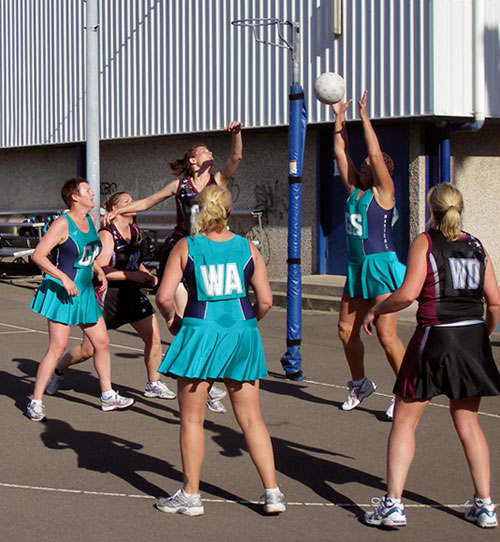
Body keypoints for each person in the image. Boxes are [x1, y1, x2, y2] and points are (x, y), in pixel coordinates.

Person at [363, 183, 500, 528]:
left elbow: (408, 294)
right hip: (471, 337)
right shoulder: (476, 245)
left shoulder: (426, 242)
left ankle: (393, 504)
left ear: (431, 209)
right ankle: (485, 505)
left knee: (405, 421)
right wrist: (483, 333)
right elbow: (495, 301)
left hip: (435, 336)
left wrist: (377, 309)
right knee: (468, 422)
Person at [154, 185, 285, 516]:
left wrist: (173, 320)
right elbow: (266, 300)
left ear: (199, 210)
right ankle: (273, 492)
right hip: (241, 332)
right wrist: (247, 323)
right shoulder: (247, 247)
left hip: (200, 332)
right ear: (228, 212)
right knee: (252, 419)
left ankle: (191, 495)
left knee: (192, 420)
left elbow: (164, 296)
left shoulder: (187, 246)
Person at [103, 121, 243, 413]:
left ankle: (196, 374)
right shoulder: (179, 186)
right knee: (182, 321)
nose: (210, 152)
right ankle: (195, 375)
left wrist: (237, 135)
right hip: (182, 253)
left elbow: (236, 158)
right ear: (193, 160)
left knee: (205, 319)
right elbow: (146, 202)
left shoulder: (218, 181)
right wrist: (117, 210)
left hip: (208, 257)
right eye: (204, 150)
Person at [45, 192, 176, 400]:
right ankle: (58, 370)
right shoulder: (107, 235)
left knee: (153, 337)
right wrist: (132, 275)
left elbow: (134, 261)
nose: (132, 204)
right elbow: (102, 269)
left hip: (132, 293)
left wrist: (146, 275)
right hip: (109, 294)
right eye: (126, 202)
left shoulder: (136, 231)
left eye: (133, 200)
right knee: (88, 349)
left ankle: (154, 383)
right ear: (115, 209)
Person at [27, 178, 134, 421]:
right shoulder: (62, 224)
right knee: (56, 348)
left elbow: (89, 252)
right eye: (87, 190)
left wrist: (97, 270)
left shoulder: (90, 220)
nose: (92, 193)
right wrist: (64, 279)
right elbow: (38, 256)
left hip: (85, 292)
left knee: (102, 342)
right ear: (75, 197)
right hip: (62, 292)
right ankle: (35, 401)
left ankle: (107, 395)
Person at [332, 91, 406, 418]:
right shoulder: (354, 191)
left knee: (387, 335)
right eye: (360, 164)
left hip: (380, 266)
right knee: (346, 331)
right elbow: (339, 149)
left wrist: (364, 117)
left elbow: (375, 154)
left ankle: (406, 391)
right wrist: (339, 115)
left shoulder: (383, 193)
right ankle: (360, 383)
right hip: (356, 267)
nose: (362, 165)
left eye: (367, 164)